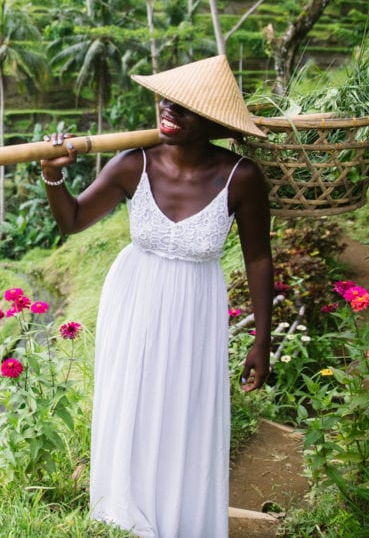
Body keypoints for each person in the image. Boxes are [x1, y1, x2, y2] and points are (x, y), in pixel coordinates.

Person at [40, 55, 274, 537]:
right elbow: (73, 220)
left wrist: (261, 340)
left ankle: (180, 520)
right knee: (134, 406)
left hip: (196, 310)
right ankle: (127, 515)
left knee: (185, 415)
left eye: (184, 107)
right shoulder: (133, 164)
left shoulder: (241, 177)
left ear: (212, 122)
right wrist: (52, 174)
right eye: (167, 99)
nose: (168, 109)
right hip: (134, 303)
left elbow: (258, 258)